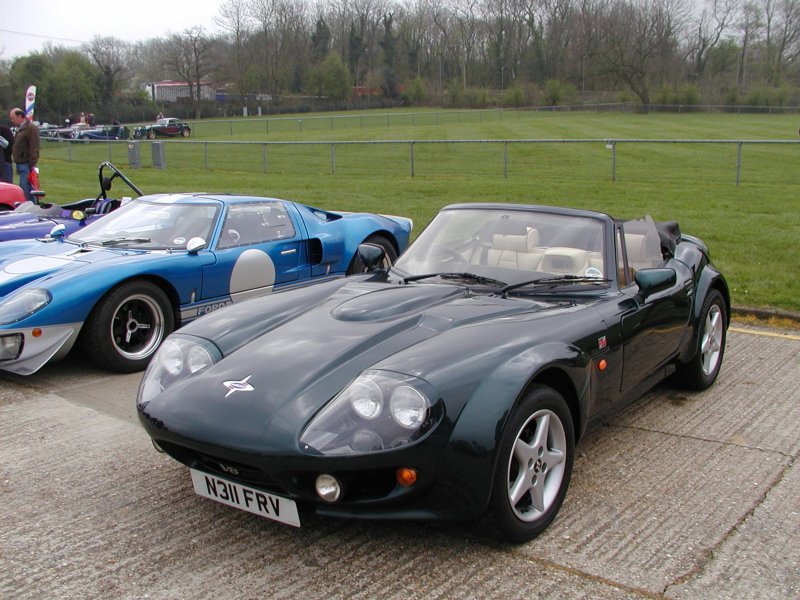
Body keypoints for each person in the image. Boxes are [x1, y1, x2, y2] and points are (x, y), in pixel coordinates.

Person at [8, 107, 40, 201]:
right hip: (20, 163)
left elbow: (34, 146)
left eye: (13, 118)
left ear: (19, 116)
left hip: (26, 164)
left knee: (25, 186)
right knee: (25, 186)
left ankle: (30, 205)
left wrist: (32, 164)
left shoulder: (30, 128)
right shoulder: (20, 128)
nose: (12, 120)